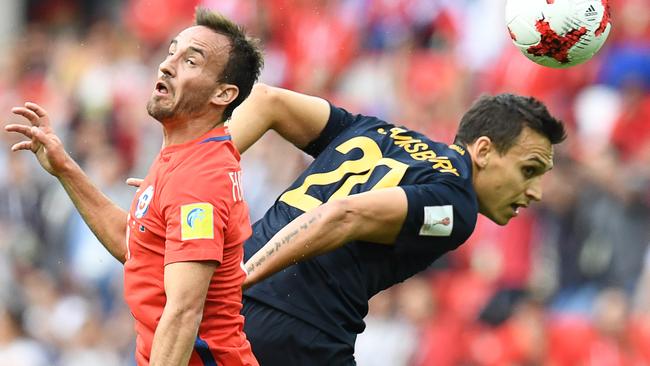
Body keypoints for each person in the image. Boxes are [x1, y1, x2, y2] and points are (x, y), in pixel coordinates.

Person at [223, 84, 567, 365]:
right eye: (528, 170)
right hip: (300, 333)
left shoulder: (376, 131)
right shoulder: (456, 206)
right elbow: (344, 215)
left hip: (232, 304)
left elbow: (267, 101)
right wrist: (246, 275)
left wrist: (180, 181)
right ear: (484, 151)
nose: (536, 191)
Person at [5, 8, 263, 366]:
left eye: (191, 60)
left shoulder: (198, 179)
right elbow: (135, 244)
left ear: (222, 94)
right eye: (172, 51)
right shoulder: (183, 153)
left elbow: (184, 313)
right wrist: (65, 168)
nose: (167, 65)